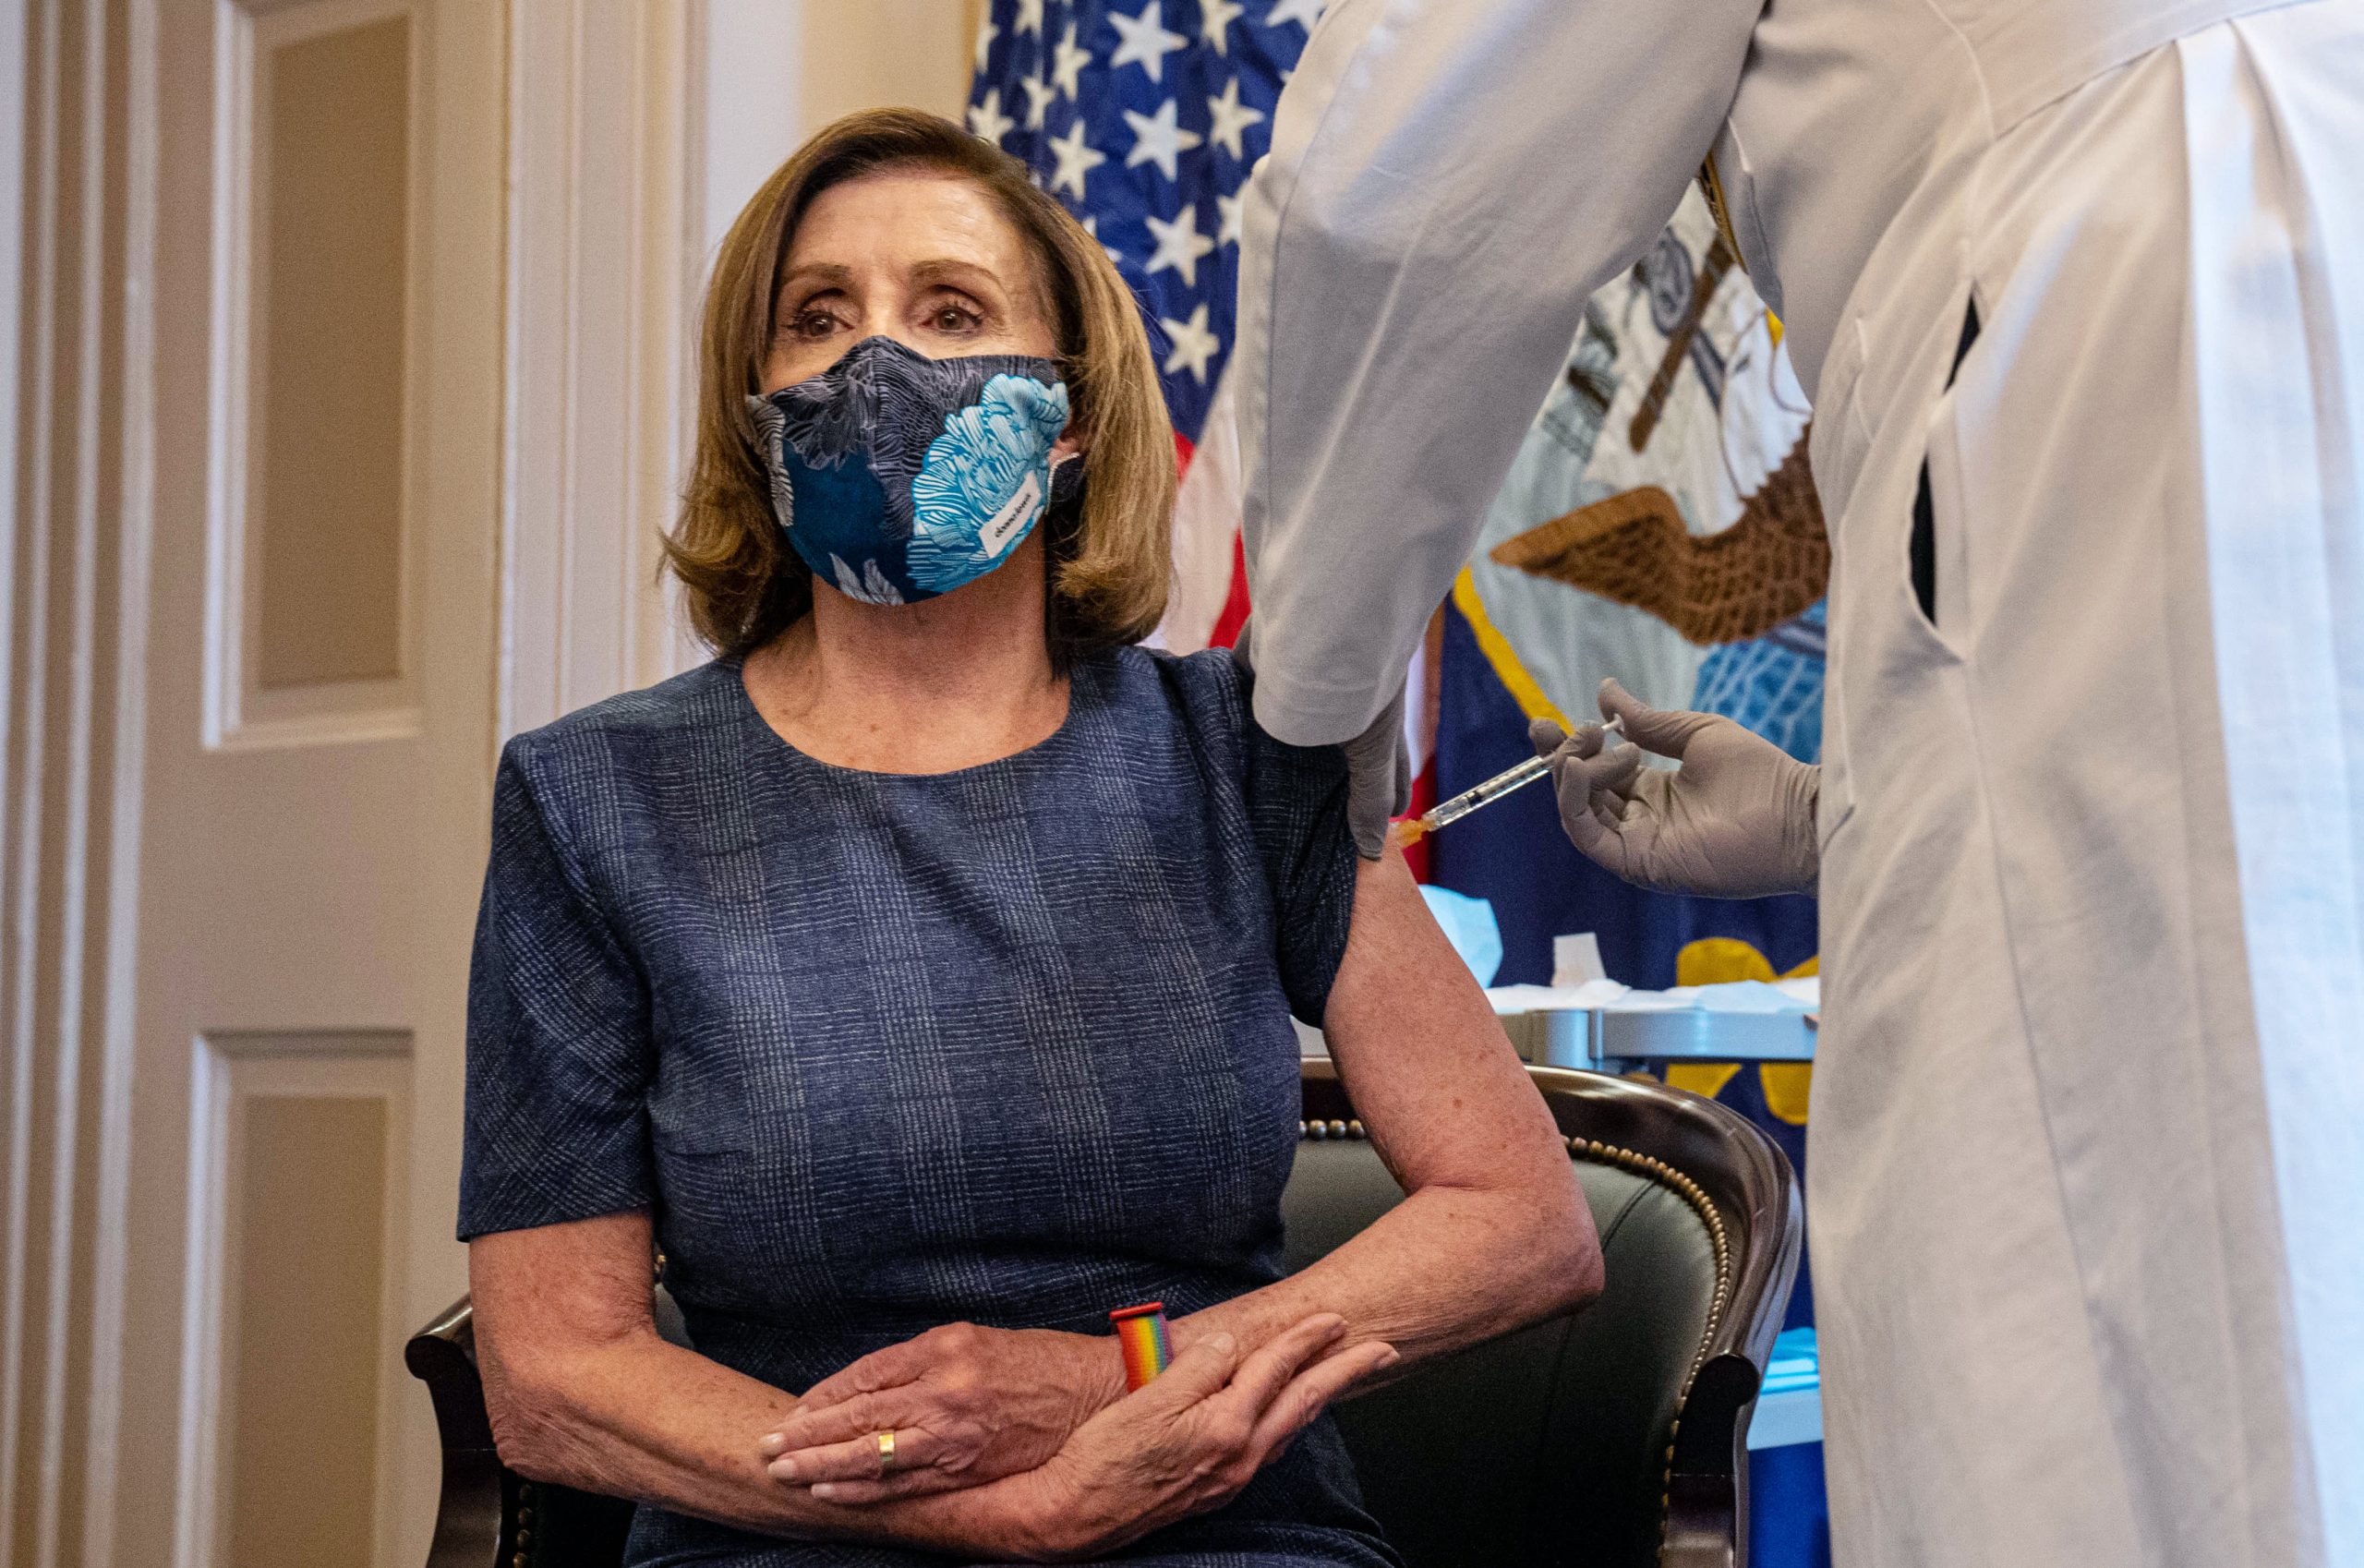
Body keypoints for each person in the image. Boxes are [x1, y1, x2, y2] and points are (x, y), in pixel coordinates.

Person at [1231, 3, 2364, 1566]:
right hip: (2213, 278)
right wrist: (1858, 809)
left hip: (2143, 274)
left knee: (2171, 1392)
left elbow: (1396, 185)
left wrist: (1309, 689)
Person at [459, 108, 1598, 1568]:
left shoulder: (1248, 754)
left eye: (951, 309)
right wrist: (1000, 1509)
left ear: (1067, 422)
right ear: (756, 405)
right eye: (819, 319)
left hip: (1224, 1525)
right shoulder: (593, 800)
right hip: (792, 1535)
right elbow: (554, 1375)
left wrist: (1125, 1377)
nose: (881, 363)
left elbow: (1521, 1219)